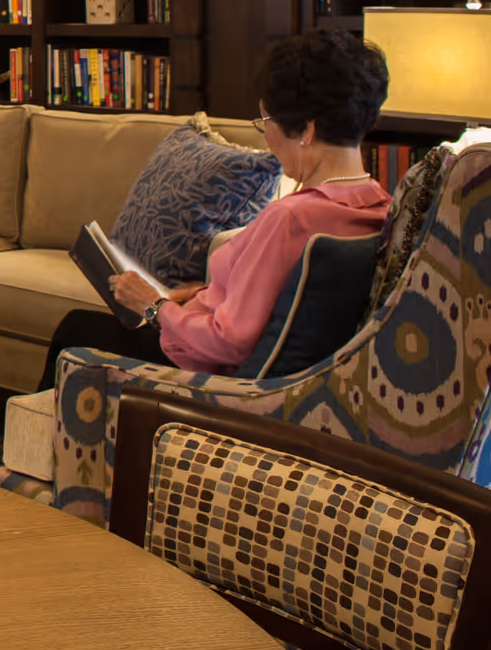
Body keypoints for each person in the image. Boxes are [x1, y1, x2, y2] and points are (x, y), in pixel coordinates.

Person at [38, 29, 390, 390]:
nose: (266, 135)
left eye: (266, 121)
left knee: (76, 330)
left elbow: (230, 341)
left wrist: (154, 306)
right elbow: (269, 301)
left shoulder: (291, 218)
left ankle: (40, 444)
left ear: (308, 130)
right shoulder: (380, 206)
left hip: (207, 380)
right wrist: (196, 295)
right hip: (273, 372)